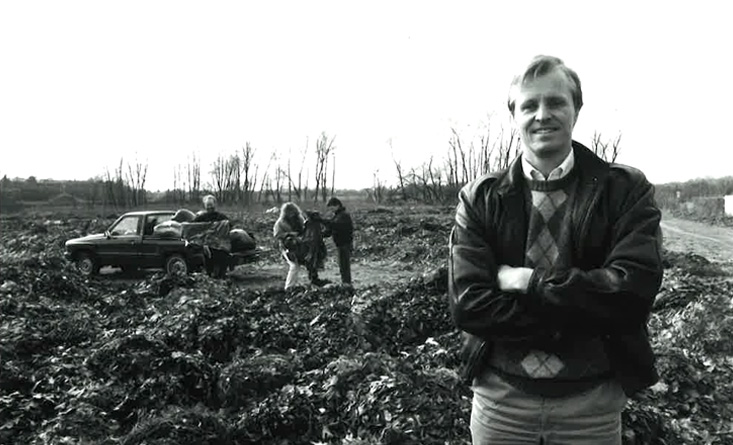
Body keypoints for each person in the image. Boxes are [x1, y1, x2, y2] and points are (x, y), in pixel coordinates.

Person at [448, 55, 664, 444]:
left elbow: (632, 292)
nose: (542, 115)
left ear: (576, 110)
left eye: (556, 102)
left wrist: (530, 282)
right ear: (514, 115)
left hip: (591, 408)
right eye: (529, 105)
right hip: (501, 407)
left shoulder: (624, 191)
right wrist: (584, 307)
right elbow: (469, 304)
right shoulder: (479, 198)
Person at [273, 202, 328, 288]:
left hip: (301, 245)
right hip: (288, 247)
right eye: (290, 213)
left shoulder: (299, 219)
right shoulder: (280, 223)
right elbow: (277, 235)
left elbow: (304, 230)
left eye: (293, 213)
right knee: (294, 266)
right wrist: (290, 234)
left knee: (311, 261)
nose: (292, 215)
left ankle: (314, 280)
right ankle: (289, 286)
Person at [324, 197, 354, 285]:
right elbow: (331, 229)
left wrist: (323, 221)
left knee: (344, 265)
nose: (331, 210)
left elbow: (336, 226)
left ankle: (347, 283)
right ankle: (345, 282)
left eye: (332, 207)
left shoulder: (344, 216)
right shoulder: (337, 216)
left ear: (337, 205)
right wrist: (321, 234)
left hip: (345, 243)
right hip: (340, 244)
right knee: (342, 265)